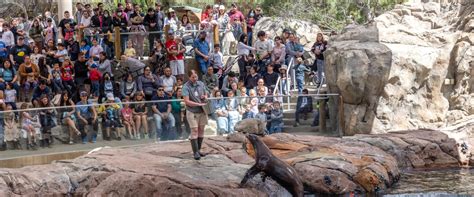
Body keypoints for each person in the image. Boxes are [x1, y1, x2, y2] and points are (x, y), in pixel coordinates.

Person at [182, 70, 208, 160]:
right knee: (194, 130)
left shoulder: (201, 84)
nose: (195, 79)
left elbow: (206, 93)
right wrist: (198, 104)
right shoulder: (186, 87)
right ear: (189, 77)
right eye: (193, 77)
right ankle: (195, 152)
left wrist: (204, 97)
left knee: (201, 130)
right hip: (192, 111)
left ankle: (199, 150)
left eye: (196, 77)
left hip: (202, 110)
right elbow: (187, 101)